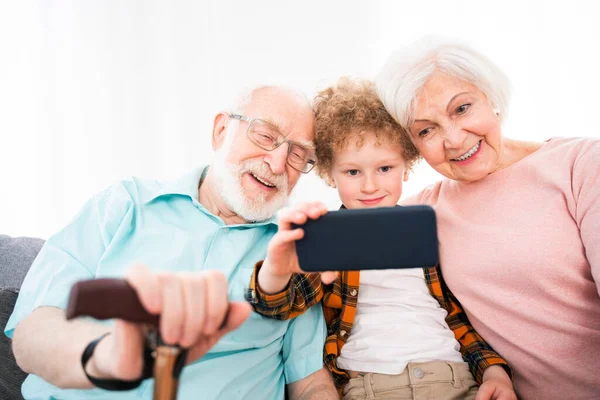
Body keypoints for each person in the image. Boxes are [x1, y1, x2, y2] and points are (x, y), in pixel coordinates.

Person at [5, 86, 338, 400]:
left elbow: (309, 381)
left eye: (297, 154)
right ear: (221, 130)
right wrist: (107, 357)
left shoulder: (294, 250)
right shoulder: (124, 204)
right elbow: (32, 334)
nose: (277, 163)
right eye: (266, 135)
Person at [246, 78, 516, 400]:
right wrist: (276, 272)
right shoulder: (328, 237)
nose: (370, 186)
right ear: (330, 175)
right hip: (370, 387)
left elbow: (455, 317)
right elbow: (279, 305)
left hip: (454, 380)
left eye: (385, 168)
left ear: (406, 165)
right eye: (353, 172)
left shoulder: (426, 229)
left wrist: (494, 371)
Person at [374, 37, 600, 400]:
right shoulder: (419, 215)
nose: (454, 139)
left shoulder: (581, 165)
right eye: (426, 130)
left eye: (461, 108)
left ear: (491, 97)